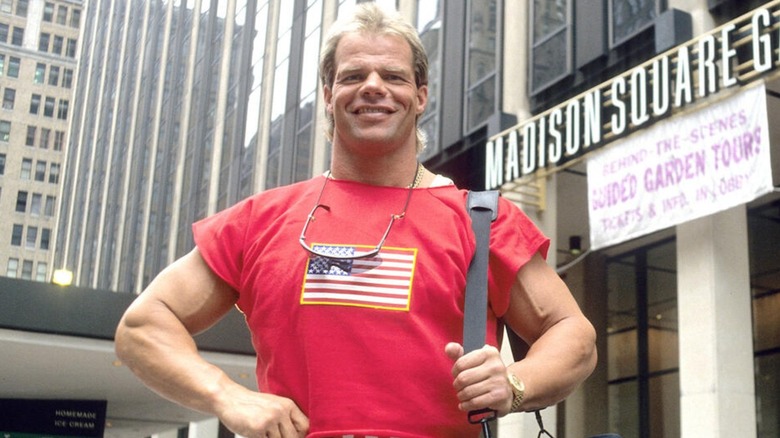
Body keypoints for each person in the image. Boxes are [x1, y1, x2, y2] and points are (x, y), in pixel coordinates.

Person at [114, 3, 597, 438]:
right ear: (328, 94)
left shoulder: (482, 220)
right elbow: (143, 328)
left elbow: (574, 335)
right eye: (352, 76)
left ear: (421, 95)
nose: (372, 87)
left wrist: (514, 383)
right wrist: (227, 396)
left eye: (393, 75)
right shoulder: (258, 221)